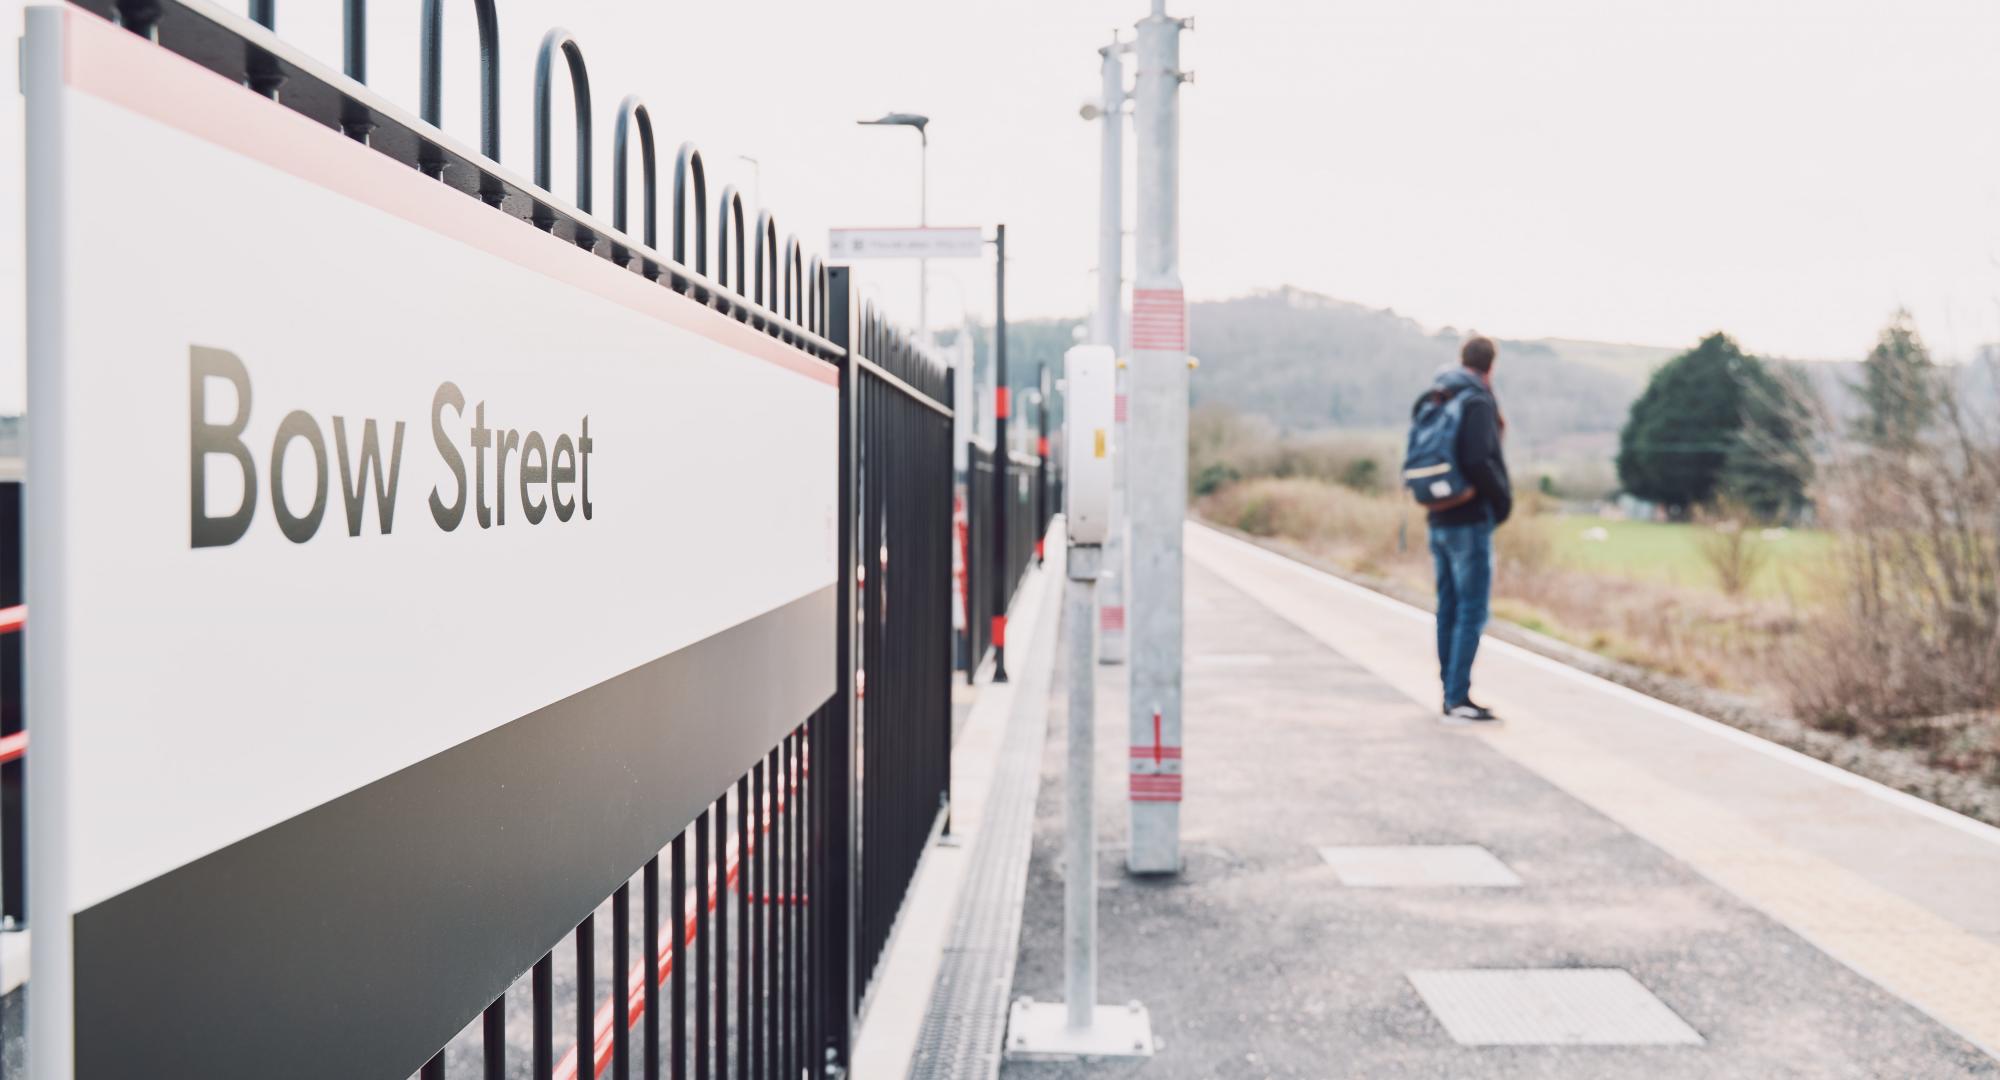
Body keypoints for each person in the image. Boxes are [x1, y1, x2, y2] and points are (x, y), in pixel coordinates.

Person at [1416, 335, 1511, 724]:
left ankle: (1450, 693)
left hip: (1438, 514)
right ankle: (1457, 698)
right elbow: (1478, 459)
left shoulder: (1438, 395)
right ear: (1491, 365)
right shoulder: (1477, 400)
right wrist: (1502, 500)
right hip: (1469, 521)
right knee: (1471, 611)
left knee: (1449, 609)